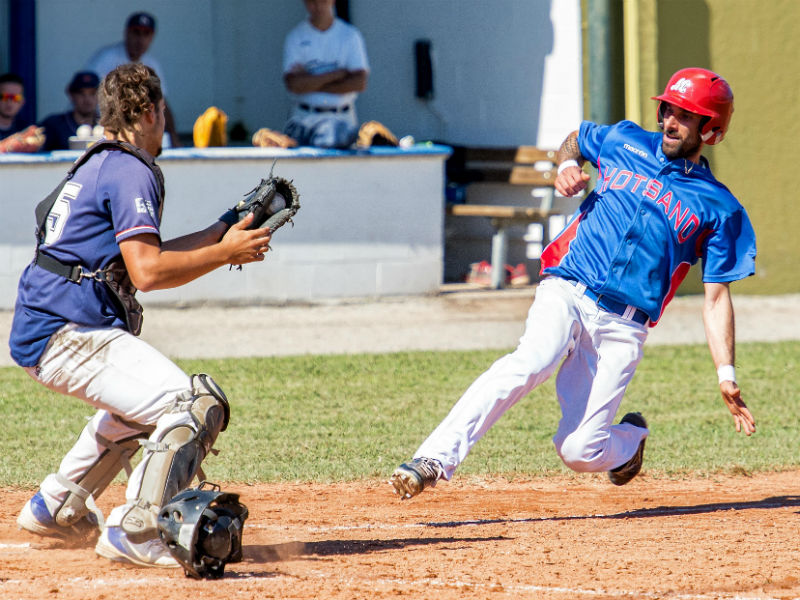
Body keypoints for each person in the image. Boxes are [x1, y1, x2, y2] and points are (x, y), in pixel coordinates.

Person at [390, 67, 757, 500]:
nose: (670, 122)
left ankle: (629, 444)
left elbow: (716, 299)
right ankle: (433, 459)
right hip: (568, 288)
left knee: (580, 450)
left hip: (624, 326)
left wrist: (726, 374)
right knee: (531, 361)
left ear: (711, 128)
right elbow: (577, 139)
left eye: (686, 115)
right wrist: (566, 165)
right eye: (668, 109)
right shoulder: (625, 140)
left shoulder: (720, 207)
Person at [10, 63, 271, 567]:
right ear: (150, 112)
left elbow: (142, 255)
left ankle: (56, 504)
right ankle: (137, 528)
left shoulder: (102, 161)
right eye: (163, 112)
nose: (164, 122)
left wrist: (222, 230)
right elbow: (148, 272)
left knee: (139, 408)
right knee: (192, 403)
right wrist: (224, 253)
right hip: (68, 330)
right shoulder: (131, 169)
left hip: (51, 323)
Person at [85, 11, 181, 146]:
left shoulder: (152, 64)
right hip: (97, 129)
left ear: (152, 37)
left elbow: (161, 102)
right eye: (136, 33)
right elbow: (85, 94)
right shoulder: (106, 58)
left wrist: (173, 137)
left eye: (146, 34)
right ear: (126, 33)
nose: (140, 40)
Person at [282, 0, 369, 148]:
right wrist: (337, 75)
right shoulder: (296, 36)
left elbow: (359, 83)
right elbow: (294, 85)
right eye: (312, 2)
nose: (317, 6)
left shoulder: (350, 35)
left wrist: (310, 82)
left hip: (342, 117)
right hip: (306, 118)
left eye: (322, 1)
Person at [38, 71, 101, 151]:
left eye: (93, 93)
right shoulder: (54, 125)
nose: (87, 99)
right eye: (81, 93)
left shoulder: (108, 126)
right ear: (71, 95)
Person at [0, 72, 31, 138]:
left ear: (22, 102)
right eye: (4, 96)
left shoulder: (26, 132)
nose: (9, 102)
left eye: (15, 97)